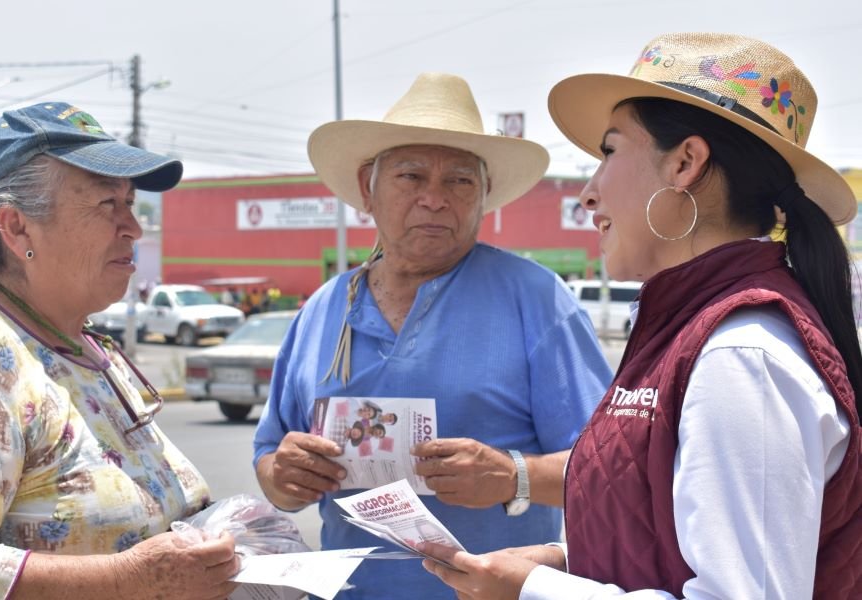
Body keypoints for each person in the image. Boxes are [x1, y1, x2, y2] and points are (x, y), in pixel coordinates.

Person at [420, 33, 861, 599]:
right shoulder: (687, 328)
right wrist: (565, 559)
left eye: (608, 152)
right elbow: (672, 542)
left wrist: (534, 591)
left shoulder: (742, 355)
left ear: (685, 163)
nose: (589, 193)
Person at [252, 72, 612, 599]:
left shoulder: (536, 298)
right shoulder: (323, 309)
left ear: (485, 195)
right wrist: (283, 477)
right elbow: (270, 456)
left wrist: (514, 474)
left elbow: (609, 470)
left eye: (460, 181)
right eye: (411, 177)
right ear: (365, 190)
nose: (435, 199)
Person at [0, 102, 240, 599]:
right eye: (106, 204)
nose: (133, 227)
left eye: (130, 203)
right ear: (17, 227)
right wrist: (130, 579)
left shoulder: (88, 347)